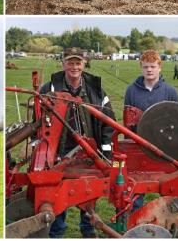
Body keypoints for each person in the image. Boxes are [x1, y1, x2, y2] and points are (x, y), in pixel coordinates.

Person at [39, 47, 115, 238]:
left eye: (78, 63)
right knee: (58, 195)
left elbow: (108, 124)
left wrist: (105, 153)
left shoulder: (96, 91)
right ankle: (57, 232)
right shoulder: (49, 90)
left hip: (88, 154)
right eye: (70, 62)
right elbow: (37, 123)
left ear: (84, 64)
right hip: (59, 154)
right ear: (63, 64)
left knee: (88, 192)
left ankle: (88, 231)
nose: (74, 67)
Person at [123, 50, 178, 211]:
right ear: (141, 68)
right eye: (146, 66)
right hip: (138, 145)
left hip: (164, 147)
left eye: (153, 66)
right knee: (134, 185)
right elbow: (127, 119)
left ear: (159, 68)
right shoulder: (131, 91)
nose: (149, 70)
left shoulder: (170, 91)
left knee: (169, 186)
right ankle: (132, 218)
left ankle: (173, 221)